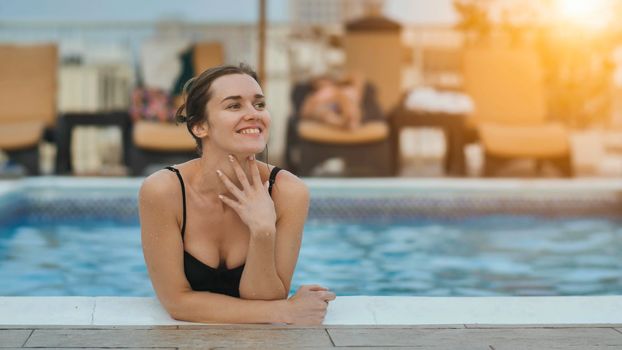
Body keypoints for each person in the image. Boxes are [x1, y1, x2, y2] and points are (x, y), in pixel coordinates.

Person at [138, 64, 336, 324]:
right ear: (199, 127)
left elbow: (265, 298)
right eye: (234, 106)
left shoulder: (288, 192)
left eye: (259, 105)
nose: (254, 114)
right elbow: (177, 302)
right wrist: (285, 311)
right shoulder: (164, 191)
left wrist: (263, 231)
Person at [299, 72, 365, 130]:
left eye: (325, 80)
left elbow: (357, 76)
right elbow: (304, 113)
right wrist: (315, 103)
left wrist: (338, 94)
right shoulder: (314, 96)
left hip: (341, 107)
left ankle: (349, 120)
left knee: (345, 98)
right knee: (322, 112)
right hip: (328, 108)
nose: (323, 82)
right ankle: (342, 123)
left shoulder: (339, 89)